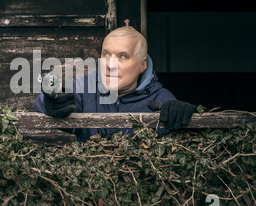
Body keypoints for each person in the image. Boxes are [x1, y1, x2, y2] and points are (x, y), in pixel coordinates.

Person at [33, 20, 196, 142]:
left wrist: (190, 118)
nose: (110, 65)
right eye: (106, 54)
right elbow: (44, 104)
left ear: (142, 64)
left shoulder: (162, 98)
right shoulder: (85, 87)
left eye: (122, 56)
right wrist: (50, 100)